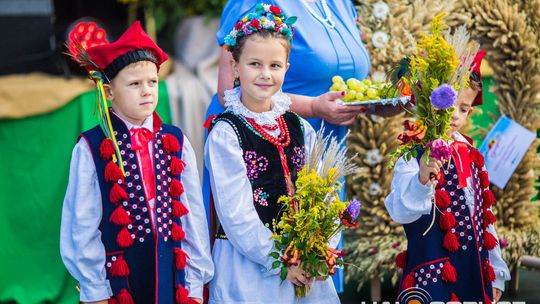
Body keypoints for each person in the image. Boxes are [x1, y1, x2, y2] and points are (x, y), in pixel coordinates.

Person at [204, 0, 372, 291]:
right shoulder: (227, 134)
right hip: (256, 264)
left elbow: (326, 195)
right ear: (235, 66)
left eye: (275, 66)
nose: (266, 74)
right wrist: (283, 261)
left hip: (306, 259)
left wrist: (318, 248)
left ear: (286, 68)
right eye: (255, 64)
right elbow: (237, 216)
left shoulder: (299, 127)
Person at [60, 21, 213, 304]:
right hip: (119, 282)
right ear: (108, 92)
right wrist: (95, 290)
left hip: (171, 275)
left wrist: (193, 284)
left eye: (153, 82)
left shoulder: (175, 141)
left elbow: (192, 216)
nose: (147, 91)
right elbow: (81, 221)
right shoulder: (91, 147)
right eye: (134, 84)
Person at [384, 51, 510, 302]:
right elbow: (401, 211)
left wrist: (495, 271)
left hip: (473, 270)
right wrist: (422, 178)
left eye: (463, 109)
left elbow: (485, 219)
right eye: (449, 104)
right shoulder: (414, 155)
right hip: (432, 276)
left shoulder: (470, 154)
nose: (455, 115)